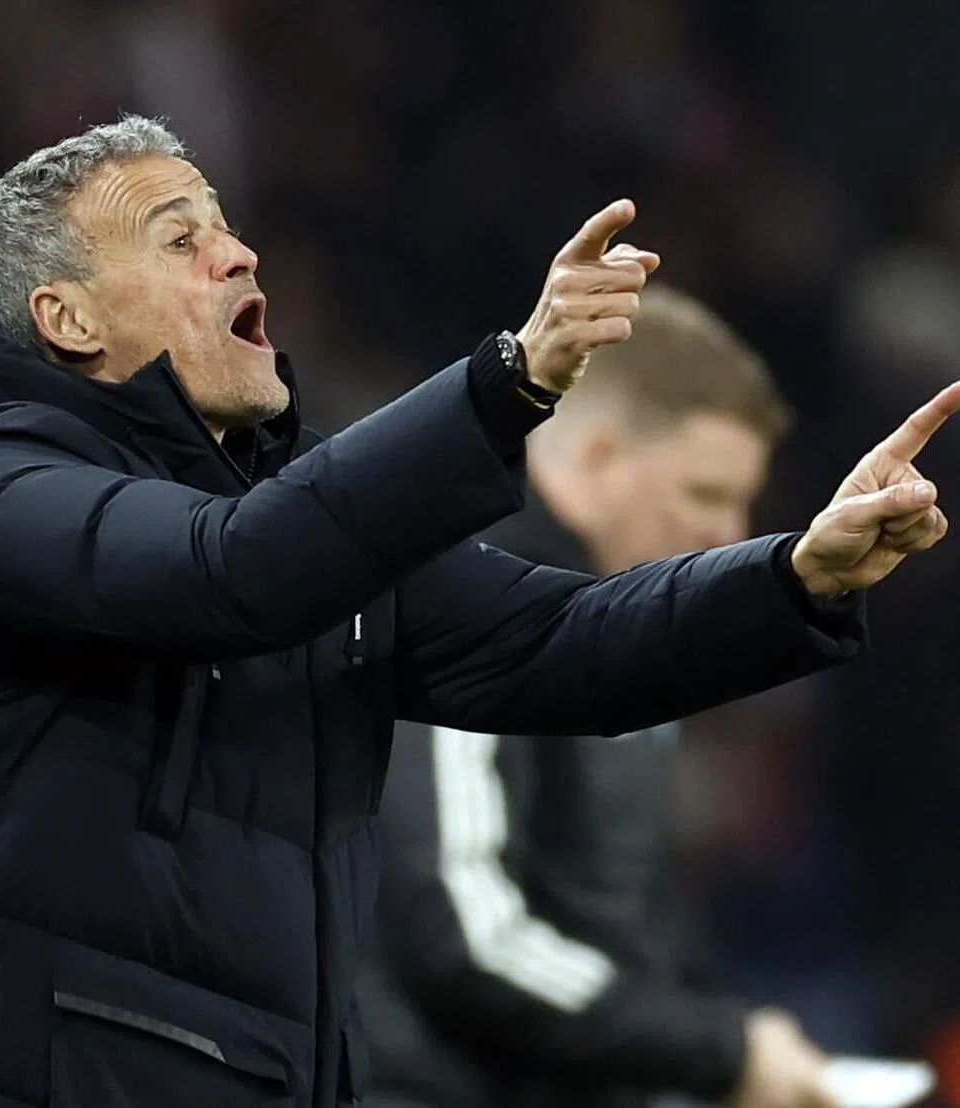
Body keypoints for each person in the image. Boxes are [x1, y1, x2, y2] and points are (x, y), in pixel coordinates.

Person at [0, 116, 955, 1108]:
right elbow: (228, 576)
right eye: (181, 239)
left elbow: (564, 642)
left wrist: (797, 575)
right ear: (69, 318)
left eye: (226, 224)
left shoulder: (298, 518)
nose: (239, 253)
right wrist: (506, 381)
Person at [361, 285, 849, 1108]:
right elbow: (465, 935)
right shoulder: (462, 595)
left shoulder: (613, 630)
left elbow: (614, 923)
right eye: (704, 495)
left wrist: (719, 1043)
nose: (731, 538)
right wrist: (720, 1051)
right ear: (593, 463)